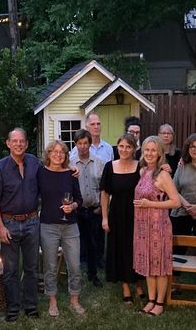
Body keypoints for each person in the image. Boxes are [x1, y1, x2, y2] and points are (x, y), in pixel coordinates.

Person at [0, 128, 41, 322]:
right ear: (8, 143)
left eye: (22, 141)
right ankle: (13, 308)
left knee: (31, 267)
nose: (18, 144)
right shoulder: (0, 167)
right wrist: (0, 227)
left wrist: (72, 169)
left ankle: (31, 306)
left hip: (31, 221)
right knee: (10, 269)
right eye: (15, 141)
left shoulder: (35, 163)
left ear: (27, 144)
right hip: (9, 223)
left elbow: (54, 171)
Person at [133, 136, 182, 316]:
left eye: (153, 150)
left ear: (160, 152)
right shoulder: (143, 171)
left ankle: (160, 302)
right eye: (147, 150)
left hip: (158, 227)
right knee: (148, 264)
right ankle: (151, 300)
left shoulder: (163, 175)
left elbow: (176, 202)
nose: (149, 153)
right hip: (142, 227)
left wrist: (150, 204)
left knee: (159, 265)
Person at [38, 140, 84, 316]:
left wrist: (72, 206)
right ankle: (52, 301)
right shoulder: (40, 173)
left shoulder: (71, 174)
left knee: (75, 265)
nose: (58, 154)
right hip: (48, 225)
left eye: (62, 152)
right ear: (48, 154)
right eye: (54, 151)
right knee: (50, 266)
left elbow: (79, 199)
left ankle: (74, 300)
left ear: (66, 155)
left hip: (70, 226)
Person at [101, 133, 143, 302]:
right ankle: (125, 286)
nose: (124, 150)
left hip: (137, 214)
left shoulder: (140, 166)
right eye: (121, 146)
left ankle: (139, 282)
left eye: (128, 147)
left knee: (136, 249)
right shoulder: (109, 167)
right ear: (117, 147)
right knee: (120, 249)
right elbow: (104, 193)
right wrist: (104, 218)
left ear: (134, 149)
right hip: (116, 214)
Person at [69, 129, 106, 288]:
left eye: (85, 143)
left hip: (93, 210)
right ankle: (75, 275)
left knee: (93, 243)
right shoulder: (69, 163)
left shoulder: (99, 162)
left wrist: (101, 209)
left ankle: (93, 274)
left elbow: (104, 188)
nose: (83, 147)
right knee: (75, 244)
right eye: (79, 143)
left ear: (90, 144)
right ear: (75, 144)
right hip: (76, 210)